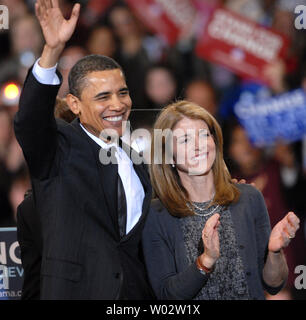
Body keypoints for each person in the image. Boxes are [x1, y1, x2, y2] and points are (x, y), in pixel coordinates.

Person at [14, 0, 154, 300]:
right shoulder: (59, 149)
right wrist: (51, 51)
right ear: (75, 105)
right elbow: (29, 121)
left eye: (123, 93)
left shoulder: (137, 160)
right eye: (103, 97)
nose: (118, 105)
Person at [142, 100, 300, 300]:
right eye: (185, 140)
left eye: (203, 135)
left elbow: (274, 284)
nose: (198, 146)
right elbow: (167, 296)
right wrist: (206, 261)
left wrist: (275, 251)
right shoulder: (157, 215)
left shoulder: (248, 198)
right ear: (169, 156)